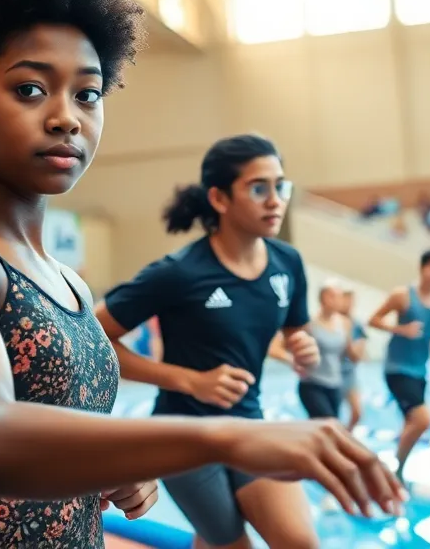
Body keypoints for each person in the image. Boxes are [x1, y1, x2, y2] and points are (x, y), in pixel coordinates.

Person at [0, 0, 402, 549]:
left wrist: (119, 473)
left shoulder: (65, 280)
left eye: (88, 93)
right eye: (30, 89)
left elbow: (53, 438)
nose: (67, 116)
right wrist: (226, 434)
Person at [98, 133, 342, 549]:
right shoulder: (178, 273)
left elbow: (295, 335)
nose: (275, 199)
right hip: (184, 438)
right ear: (220, 199)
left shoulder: (288, 263)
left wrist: (304, 350)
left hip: (248, 425)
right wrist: (190, 381)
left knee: (300, 542)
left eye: (280, 186)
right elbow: (91, 337)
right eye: (258, 187)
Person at [369, 249, 430, 481]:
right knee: (423, 419)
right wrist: (401, 329)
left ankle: (397, 469)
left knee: (413, 423)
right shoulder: (403, 295)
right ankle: (397, 468)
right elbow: (374, 320)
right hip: (397, 368)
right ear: (423, 269)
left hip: (420, 369)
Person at [273, 281, 354, 421]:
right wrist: (292, 360)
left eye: (339, 297)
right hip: (312, 383)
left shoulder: (345, 323)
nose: (337, 301)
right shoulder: (308, 323)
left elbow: (345, 355)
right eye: (332, 296)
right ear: (322, 298)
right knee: (328, 424)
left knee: (330, 426)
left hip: (335, 383)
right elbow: (277, 347)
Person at [340, 288, 368, 431]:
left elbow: (356, 355)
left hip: (349, 373)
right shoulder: (328, 322)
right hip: (331, 374)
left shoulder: (356, 326)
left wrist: (348, 334)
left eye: (351, 301)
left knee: (357, 412)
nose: (348, 304)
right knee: (330, 416)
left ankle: (346, 436)